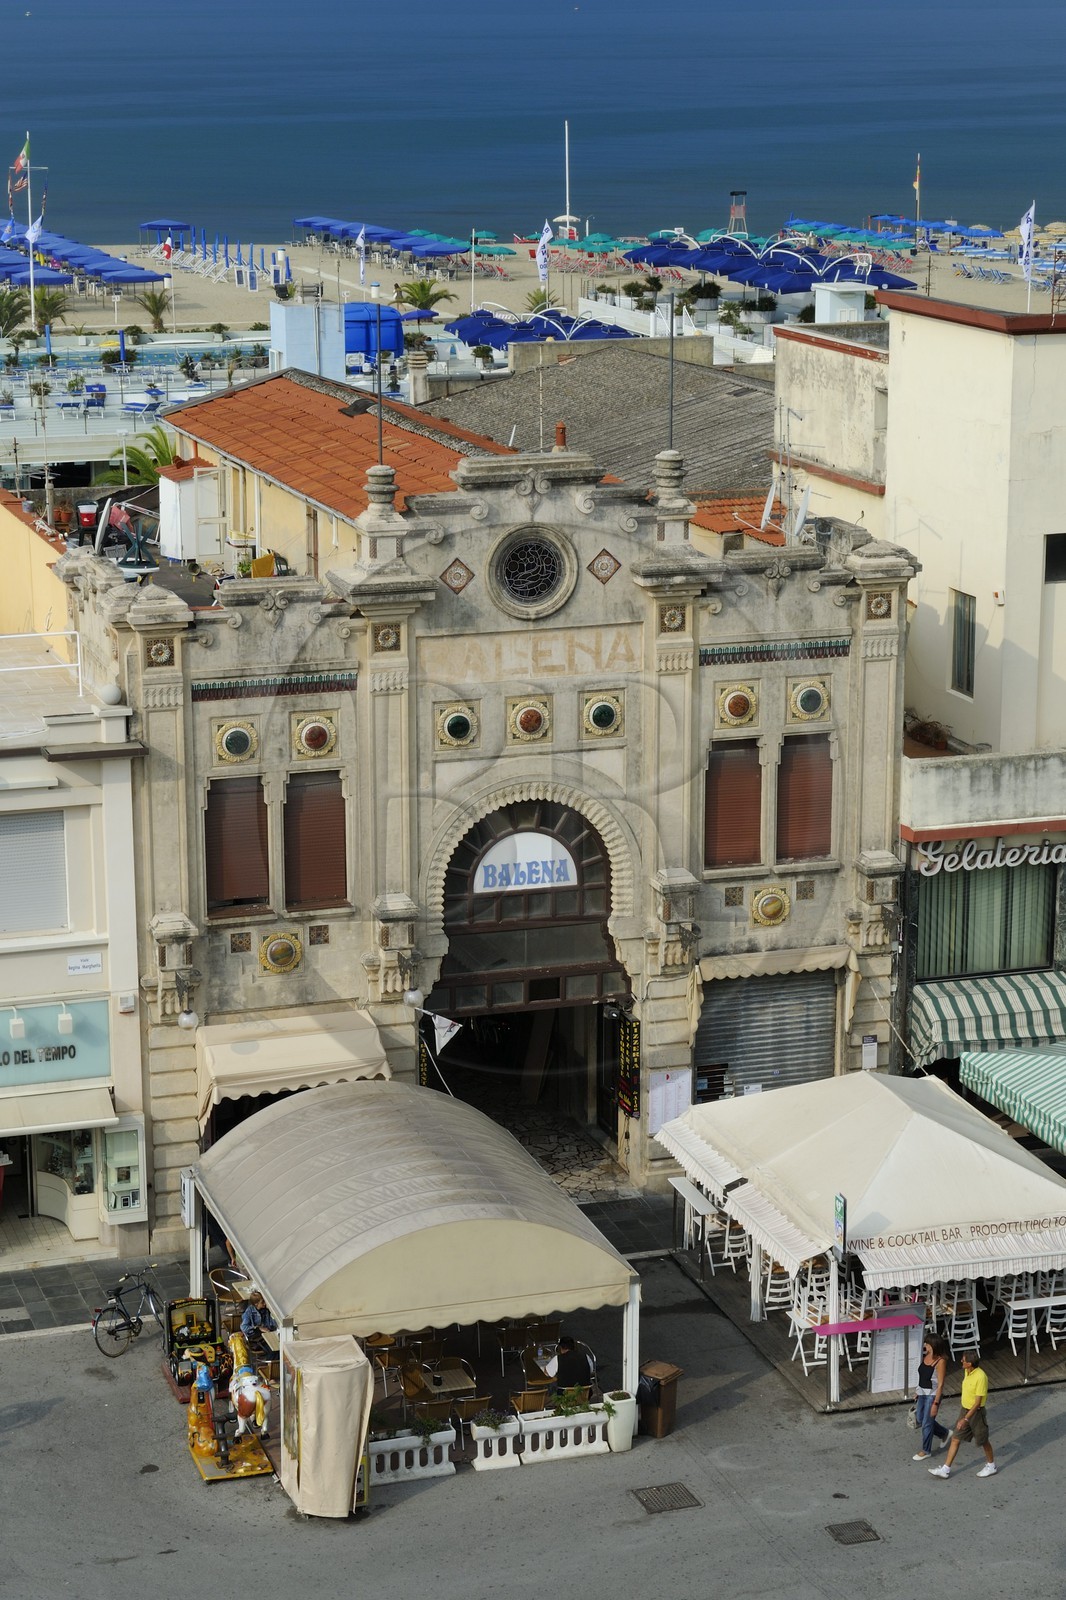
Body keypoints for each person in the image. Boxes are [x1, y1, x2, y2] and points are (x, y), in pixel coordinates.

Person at [929, 1351, 997, 1478]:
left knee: (983, 1441)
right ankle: (945, 1469)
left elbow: (977, 1403)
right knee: (955, 1438)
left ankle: (991, 1465)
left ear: (969, 1364)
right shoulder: (967, 1371)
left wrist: (965, 1419)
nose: (961, 1361)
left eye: (963, 1360)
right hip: (965, 1410)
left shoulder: (981, 1377)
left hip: (976, 1413)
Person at [912, 1333, 950, 1460]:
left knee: (927, 1423)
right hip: (922, 1392)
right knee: (920, 1418)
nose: (925, 1345)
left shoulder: (941, 1361)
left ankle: (926, 1450)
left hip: (932, 1395)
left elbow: (940, 1385)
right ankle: (944, 1433)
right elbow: (922, 1375)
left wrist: (935, 1403)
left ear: (932, 1345)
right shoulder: (926, 1356)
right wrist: (918, 1391)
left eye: (927, 1344)